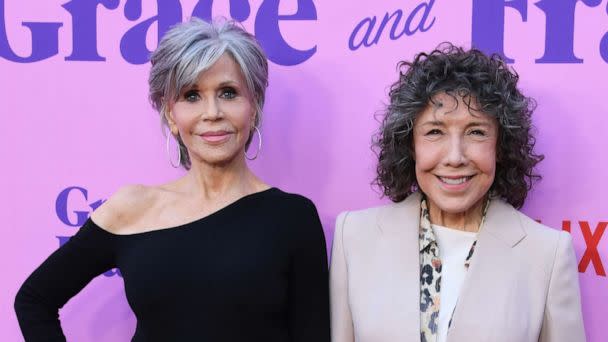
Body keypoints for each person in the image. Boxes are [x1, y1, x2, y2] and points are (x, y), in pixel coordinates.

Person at [15, 18, 330, 342]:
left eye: (228, 92)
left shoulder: (292, 218)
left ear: (253, 107)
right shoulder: (132, 208)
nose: (212, 112)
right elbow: (34, 300)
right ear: (171, 114)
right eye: (192, 95)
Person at [330, 43, 585, 342]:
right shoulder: (354, 237)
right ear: (410, 145)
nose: (455, 157)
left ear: (500, 146)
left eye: (476, 132)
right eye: (434, 132)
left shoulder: (548, 254)